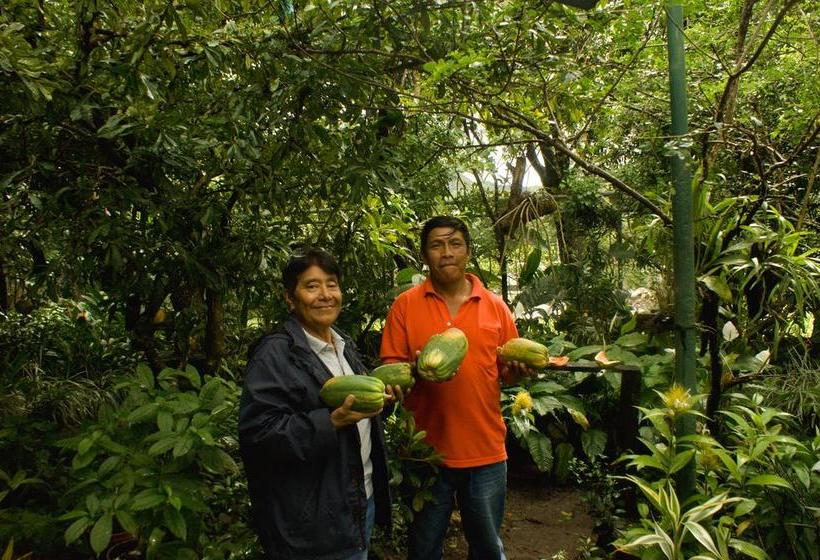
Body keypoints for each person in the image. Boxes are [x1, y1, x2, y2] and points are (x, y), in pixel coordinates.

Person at [380, 216, 531, 560]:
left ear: (467, 252)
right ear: (424, 254)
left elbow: (509, 373)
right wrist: (416, 372)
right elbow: (391, 371)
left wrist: (520, 373)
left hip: (485, 450)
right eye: (436, 245)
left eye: (454, 243)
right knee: (423, 548)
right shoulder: (405, 306)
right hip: (425, 453)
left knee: (488, 549)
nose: (446, 252)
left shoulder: (494, 306)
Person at [239, 248, 398, 560]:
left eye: (332, 284)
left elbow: (360, 415)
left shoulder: (344, 345)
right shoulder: (275, 355)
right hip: (312, 528)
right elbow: (258, 436)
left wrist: (386, 401)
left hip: (356, 508)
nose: (325, 295)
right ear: (290, 297)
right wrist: (331, 421)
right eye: (312, 286)